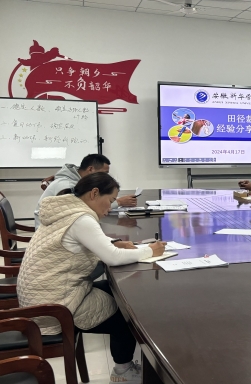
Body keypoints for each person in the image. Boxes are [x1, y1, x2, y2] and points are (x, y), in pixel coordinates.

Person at [18, 172, 167, 384]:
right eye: (110, 200)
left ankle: (124, 365)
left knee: (116, 291)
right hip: (54, 307)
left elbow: (85, 242)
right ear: (94, 193)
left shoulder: (66, 210)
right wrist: (150, 251)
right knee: (129, 313)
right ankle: (123, 372)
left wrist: (114, 243)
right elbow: (113, 258)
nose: (110, 208)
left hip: (42, 296)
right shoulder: (81, 219)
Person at [34, 154, 137, 228]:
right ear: (90, 169)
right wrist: (118, 202)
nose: (105, 176)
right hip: (50, 231)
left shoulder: (77, 179)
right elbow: (83, 208)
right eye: (104, 173)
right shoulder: (68, 185)